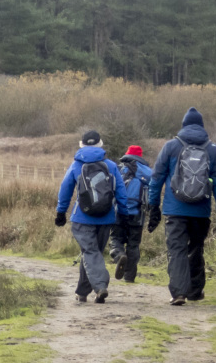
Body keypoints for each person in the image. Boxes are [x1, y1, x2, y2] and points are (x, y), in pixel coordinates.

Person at [147, 107, 216, 306]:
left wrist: (153, 205)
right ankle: (195, 291)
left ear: (183, 125)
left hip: (175, 210)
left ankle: (179, 293)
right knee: (196, 248)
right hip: (201, 210)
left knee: (177, 250)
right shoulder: (212, 149)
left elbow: (156, 179)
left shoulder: (171, 146)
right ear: (202, 126)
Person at [55, 130, 128, 304]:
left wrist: (60, 212)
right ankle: (82, 292)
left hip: (82, 217)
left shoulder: (75, 165)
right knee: (92, 253)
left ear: (81, 144)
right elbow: (121, 192)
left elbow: (65, 190)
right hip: (106, 218)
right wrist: (124, 213)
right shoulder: (110, 166)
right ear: (100, 144)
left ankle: (101, 286)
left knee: (90, 252)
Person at [110, 145, 153, 283]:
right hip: (138, 213)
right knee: (133, 245)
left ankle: (119, 256)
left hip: (118, 212)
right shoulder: (148, 172)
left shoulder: (118, 168)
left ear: (127, 154)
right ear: (140, 156)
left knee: (116, 239)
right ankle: (129, 277)